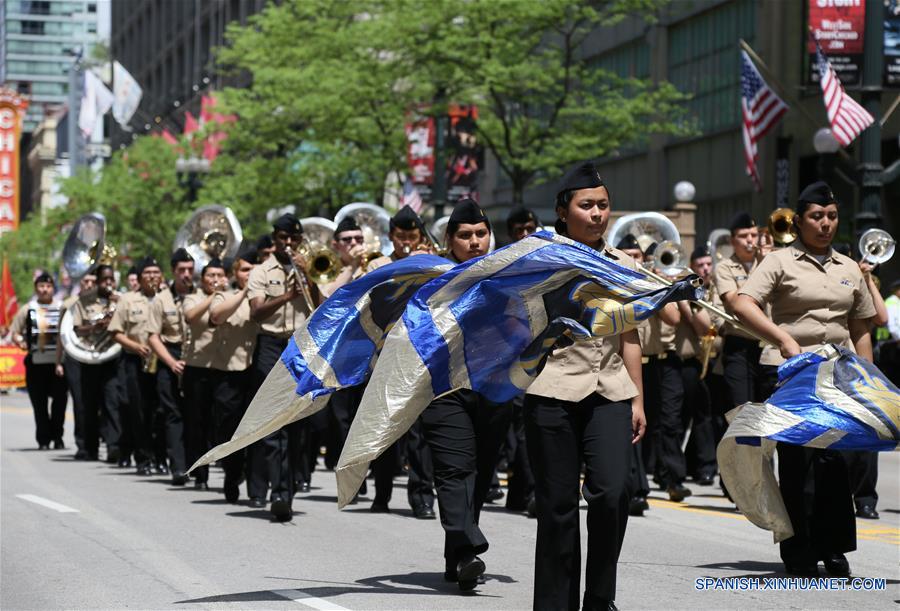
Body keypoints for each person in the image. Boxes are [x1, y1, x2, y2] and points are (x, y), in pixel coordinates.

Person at [732, 181, 877, 578]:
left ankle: (834, 547)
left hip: (839, 373)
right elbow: (743, 302)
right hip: (790, 372)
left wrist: (867, 377)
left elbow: (862, 326)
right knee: (798, 461)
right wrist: (781, 337)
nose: (826, 223)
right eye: (817, 216)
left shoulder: (849, 267)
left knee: (834, 462)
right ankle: (798, 549)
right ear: (799, 221)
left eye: (831, 216)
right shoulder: (779, 261)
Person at [524, 161, 645, 611]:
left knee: (613, 493)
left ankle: (599, 597)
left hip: (609, 391)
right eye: (587, 205)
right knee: (557, 506)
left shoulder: (624, 265)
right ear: (563, 210)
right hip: (551, 390)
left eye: (604, 206)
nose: (597, 214)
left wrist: (638, 399)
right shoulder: (537, 261)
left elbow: (630, 336)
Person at [420, 198, 512, 590]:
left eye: (480, 233)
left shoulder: (510, 275)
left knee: (479, 473)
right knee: (454, 470)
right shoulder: (431, 278)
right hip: (445, 388)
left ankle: (458, 559)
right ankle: (469, 545)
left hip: (493, 387)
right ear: (450, 240)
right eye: (465, 235)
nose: (475, 241)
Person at [365, 205, 437, 519]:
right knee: (384, 425)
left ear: (420, 236)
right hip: (385, 355)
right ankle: (381, 493)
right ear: (391, 236)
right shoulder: (379, 264)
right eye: (400, 236)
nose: (405, 241)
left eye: (411, 236)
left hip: (420, 354)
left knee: (420, 430)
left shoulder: (431, 262)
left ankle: (422, 497)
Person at [246, 213, 318, 521]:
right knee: (275, 420)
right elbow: (256, 313)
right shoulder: (262, 271)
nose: (288, 244)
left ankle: (288, 489)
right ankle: (278, 491)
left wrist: (309, 278)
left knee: (298, 423)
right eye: (282, 239)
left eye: (293, 239)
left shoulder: (310, 266)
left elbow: (321, 307)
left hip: (301, 347)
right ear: (274, 238)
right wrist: (288, 295)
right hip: (271, 345)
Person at [637, 242, 686, 502]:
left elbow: (673, 318)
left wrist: (658, 284)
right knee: (637, 423)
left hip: (660, 361)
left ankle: (673, 479)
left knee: (667, 421)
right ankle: (637, 481)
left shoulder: (661, 284)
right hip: (632, 361)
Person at [209, 251, 259, 503]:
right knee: (229, 430)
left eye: (253, 270)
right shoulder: (224, 296)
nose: (249, 274)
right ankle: (232, 475)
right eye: (244, 270)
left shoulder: (262, 298)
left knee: (255, 430)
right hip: (229, 373)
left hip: (254, 372)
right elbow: (216, 316)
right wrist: (244, 293)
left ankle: (255, 484)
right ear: (234, 274)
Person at [109, 257, 163, 475]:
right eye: (147, 272)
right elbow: (115, 332)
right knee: (139, 410)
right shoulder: (128, 300)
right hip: (135, 360)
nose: (152, 276)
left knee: (161, 411)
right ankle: (143, 457)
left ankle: (161, 457)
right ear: (140, 278)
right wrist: (136, 346)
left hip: (163, 361)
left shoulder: (167, 299)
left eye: (156, 272)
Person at [180, 258, 229, 488]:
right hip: (198, 367)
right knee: (197, 422)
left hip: (224, 367)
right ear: (203, 279)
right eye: (211, 276)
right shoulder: (194, 297)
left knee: (220, 421)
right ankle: (199, 474)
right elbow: (190, 317)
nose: (215, 280)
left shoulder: (233, 295)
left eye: (219, 275)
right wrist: (215, 296)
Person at [147, 248, 194, 481]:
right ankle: (178, 466)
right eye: (182, 270)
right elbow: (153, 336)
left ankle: (197, 464)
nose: (187, 274)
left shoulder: (201, 295)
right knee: (173, 414)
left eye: (190, 270)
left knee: (194, 414)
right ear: (173, 272)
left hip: (196, 358)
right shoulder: (161, 299)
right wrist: (171, 362)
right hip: (170, 356)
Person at [68, 265, 121, 462]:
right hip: (90, 357)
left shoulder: (121, 300)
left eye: (111, 280)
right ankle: (89, 448)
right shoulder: (85, 300)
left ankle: (113, 446)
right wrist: (94, 326)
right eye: (105, 279)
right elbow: (76, 329)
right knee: (88, 404)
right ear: (98, 281)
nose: (108, 283)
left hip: (113, 356)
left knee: (112, 403)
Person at [9, 272, 68, 450]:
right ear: (36, 288)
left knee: (60, 403)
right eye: (41, 286)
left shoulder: (62, 308)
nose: (45, 290)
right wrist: (20, 341)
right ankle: (43, 439)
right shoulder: (28, 309)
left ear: (53, 288)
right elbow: (15, 332)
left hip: (58, 364)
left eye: (48, 286)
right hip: (36, 363)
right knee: (39, 404)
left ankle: (57, 436)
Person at [676, 246, 718, 485]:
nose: (705, 269)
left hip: (712, 360)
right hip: (688, 361)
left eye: (708, 264)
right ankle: (676, 466)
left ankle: (704, 466)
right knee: (680, 417)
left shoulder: (715, 291)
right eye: (700, 264)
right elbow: (697, 326)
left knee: (705, 417)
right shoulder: (686, 289)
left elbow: (710, 327)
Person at [56, 272, 96, 459]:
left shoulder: (102, 302)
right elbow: (61, 335)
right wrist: (58, 361)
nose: (89, 285)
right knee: (80, 401)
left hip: (97, 356)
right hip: (74, 357)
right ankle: (82, 444)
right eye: (85, 281)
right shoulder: (68, 304)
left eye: (92, 282)